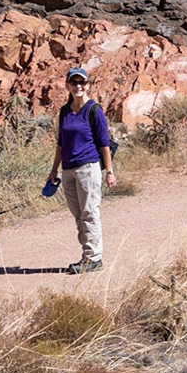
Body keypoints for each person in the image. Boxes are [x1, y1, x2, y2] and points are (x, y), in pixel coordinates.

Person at [46, 65, 116, 274]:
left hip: (88, 168)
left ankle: (93, 258)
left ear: (88, 85)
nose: (78, 86)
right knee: (78, 215)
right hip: (68, 170)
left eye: (82, 82)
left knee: (89, 213)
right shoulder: (65, 112)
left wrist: (109, 172)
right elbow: (61, 143)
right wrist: (53, 172)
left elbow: (104, 144)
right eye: (74, 82)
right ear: (67, 85)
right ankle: (88, 255)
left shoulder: (94, 110)